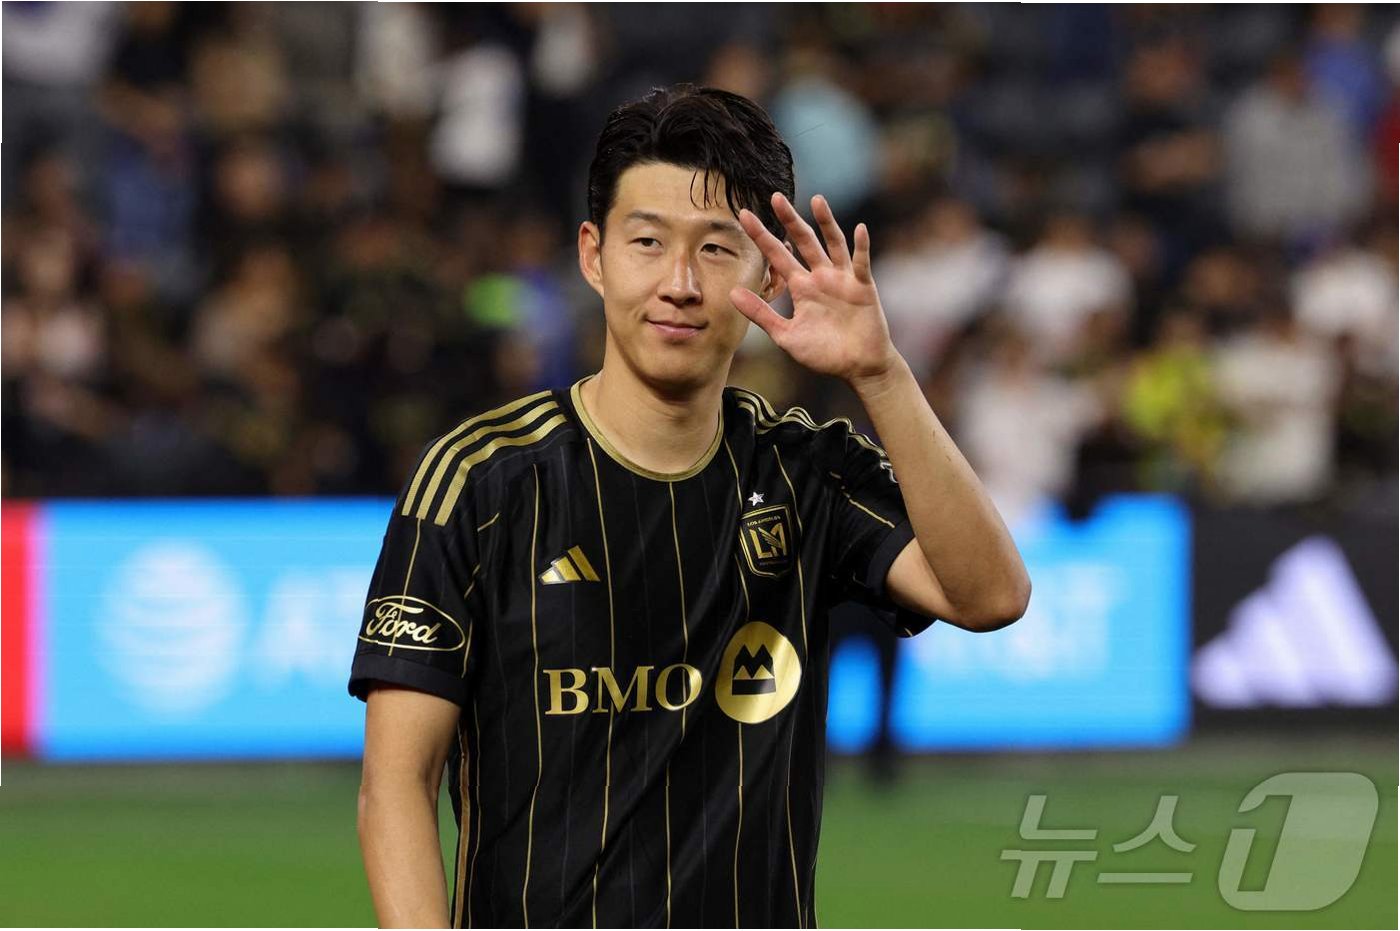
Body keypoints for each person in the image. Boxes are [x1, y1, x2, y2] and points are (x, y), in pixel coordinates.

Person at [349, 84, 1030, 929]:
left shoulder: (804, 470)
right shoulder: (479, 482)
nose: (678, 283)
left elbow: (990, 595)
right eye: (647, 242)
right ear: (594, 256)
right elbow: (397, 782)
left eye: (715, 249)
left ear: (767, 272)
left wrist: (881, 374)